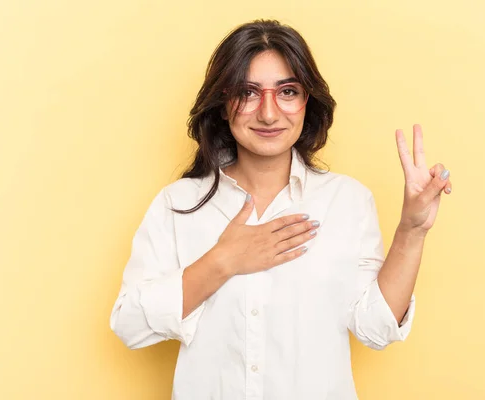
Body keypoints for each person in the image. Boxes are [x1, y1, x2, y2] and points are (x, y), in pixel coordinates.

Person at [110, 19, 452, 400]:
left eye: (287, 91)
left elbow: (376, 329)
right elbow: (130, 326)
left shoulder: (347, 201)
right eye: (248, 92)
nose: (269, 114)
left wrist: (412, 229)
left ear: (308, 101)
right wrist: (222, 261)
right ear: (223, 105)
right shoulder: (178, 205)